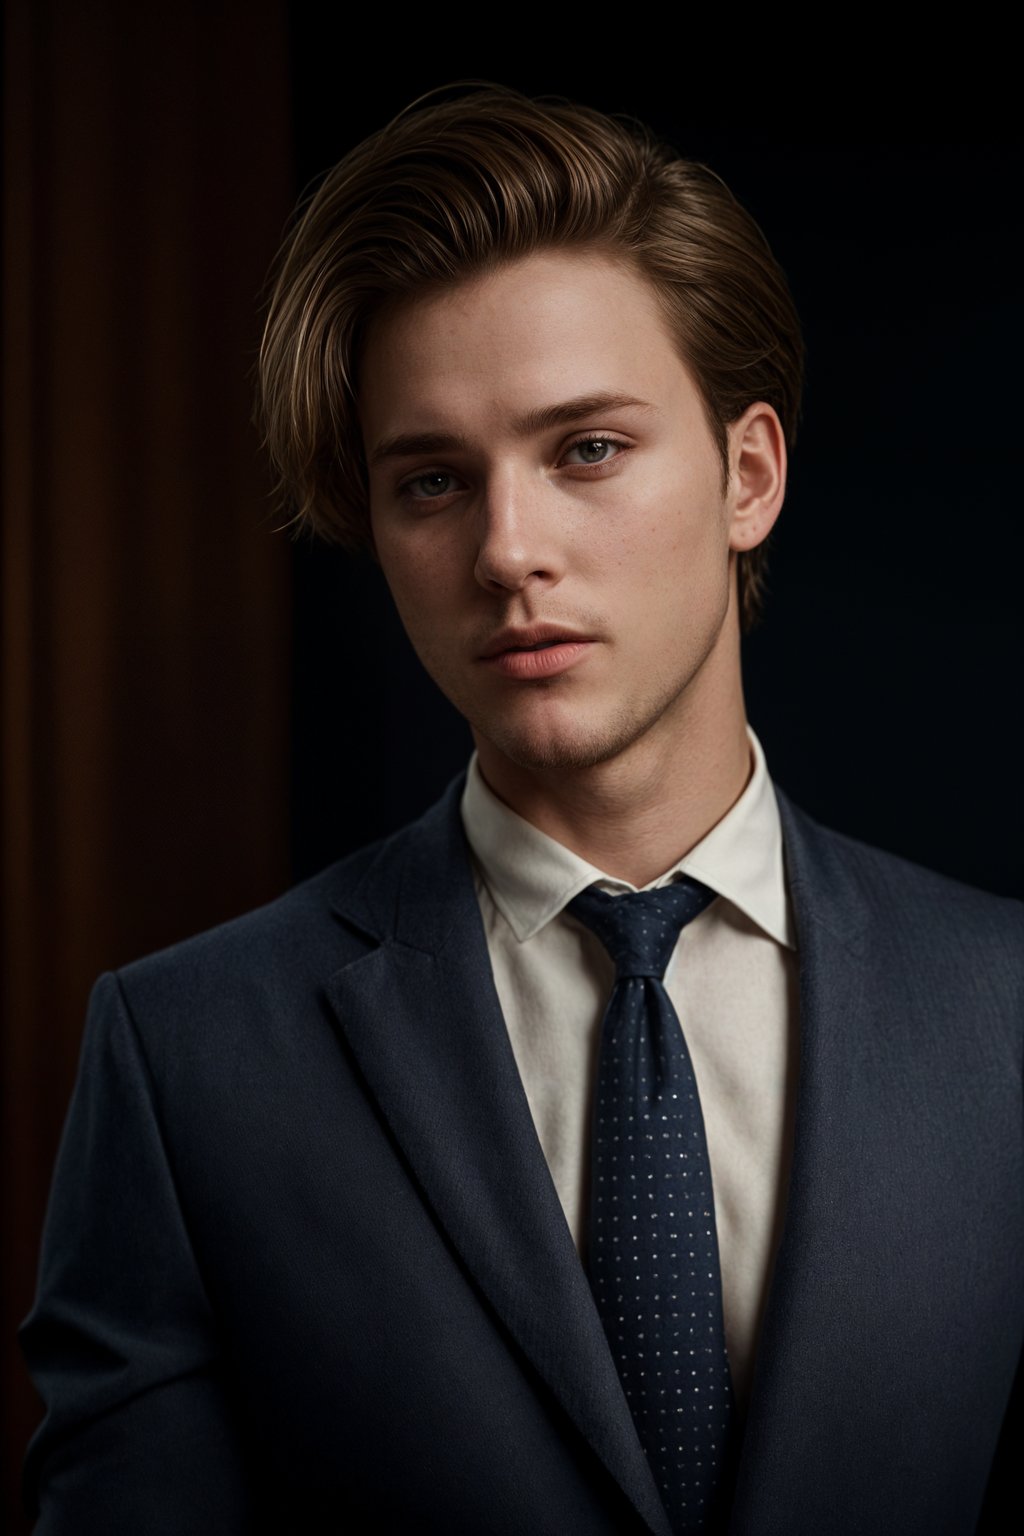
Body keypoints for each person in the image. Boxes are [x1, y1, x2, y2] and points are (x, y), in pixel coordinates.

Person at [21, 87, 1022, 1535]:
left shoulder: (1002, 1020)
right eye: (432, 481)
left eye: (587, 450)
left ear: (749, 475)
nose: (508, 549)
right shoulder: (189, 1062)